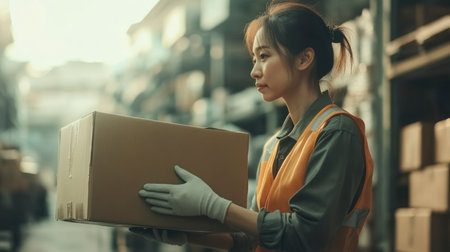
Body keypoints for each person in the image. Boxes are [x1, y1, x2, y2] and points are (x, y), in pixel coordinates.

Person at [131, 2, 373, 251]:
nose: (254, 72)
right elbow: (254, 237)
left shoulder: (337, 132)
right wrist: (187, 236)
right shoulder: (272, 146)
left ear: (304, 59)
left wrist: (213, 206)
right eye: (254, 59)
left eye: (264, 56)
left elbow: (304, 235)